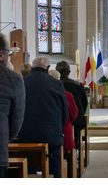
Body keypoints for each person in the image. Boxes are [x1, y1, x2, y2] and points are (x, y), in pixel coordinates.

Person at [18, 57, 68, 178]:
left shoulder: (22, 82)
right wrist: (58, 129)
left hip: (27, 136)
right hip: (51, 136)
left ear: (33, 67)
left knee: (28, 170)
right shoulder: (56, 83)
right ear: (48, 68)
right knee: (54, 170)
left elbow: (17, 109)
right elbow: (64, 111)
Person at [0, 33, 25, 178]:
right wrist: (5, 137)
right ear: (1, 55)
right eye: (8, 54)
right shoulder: (12, 79)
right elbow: (16, 120)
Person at [55, 61, 87, 149]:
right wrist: (80, 115)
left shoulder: (55, 85)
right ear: (69, 72)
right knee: (75, 135)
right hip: (77, 119)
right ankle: (75, 147)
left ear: (57, 71)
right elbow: (84, 102)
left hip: (59, 120)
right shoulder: (78, 85)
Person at [48, 70, 79, 153]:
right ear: (59, 80)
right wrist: (68, 121)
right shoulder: (67, 95)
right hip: (64, 130)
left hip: (47, 133)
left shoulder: (43, 95)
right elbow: (74, 113)